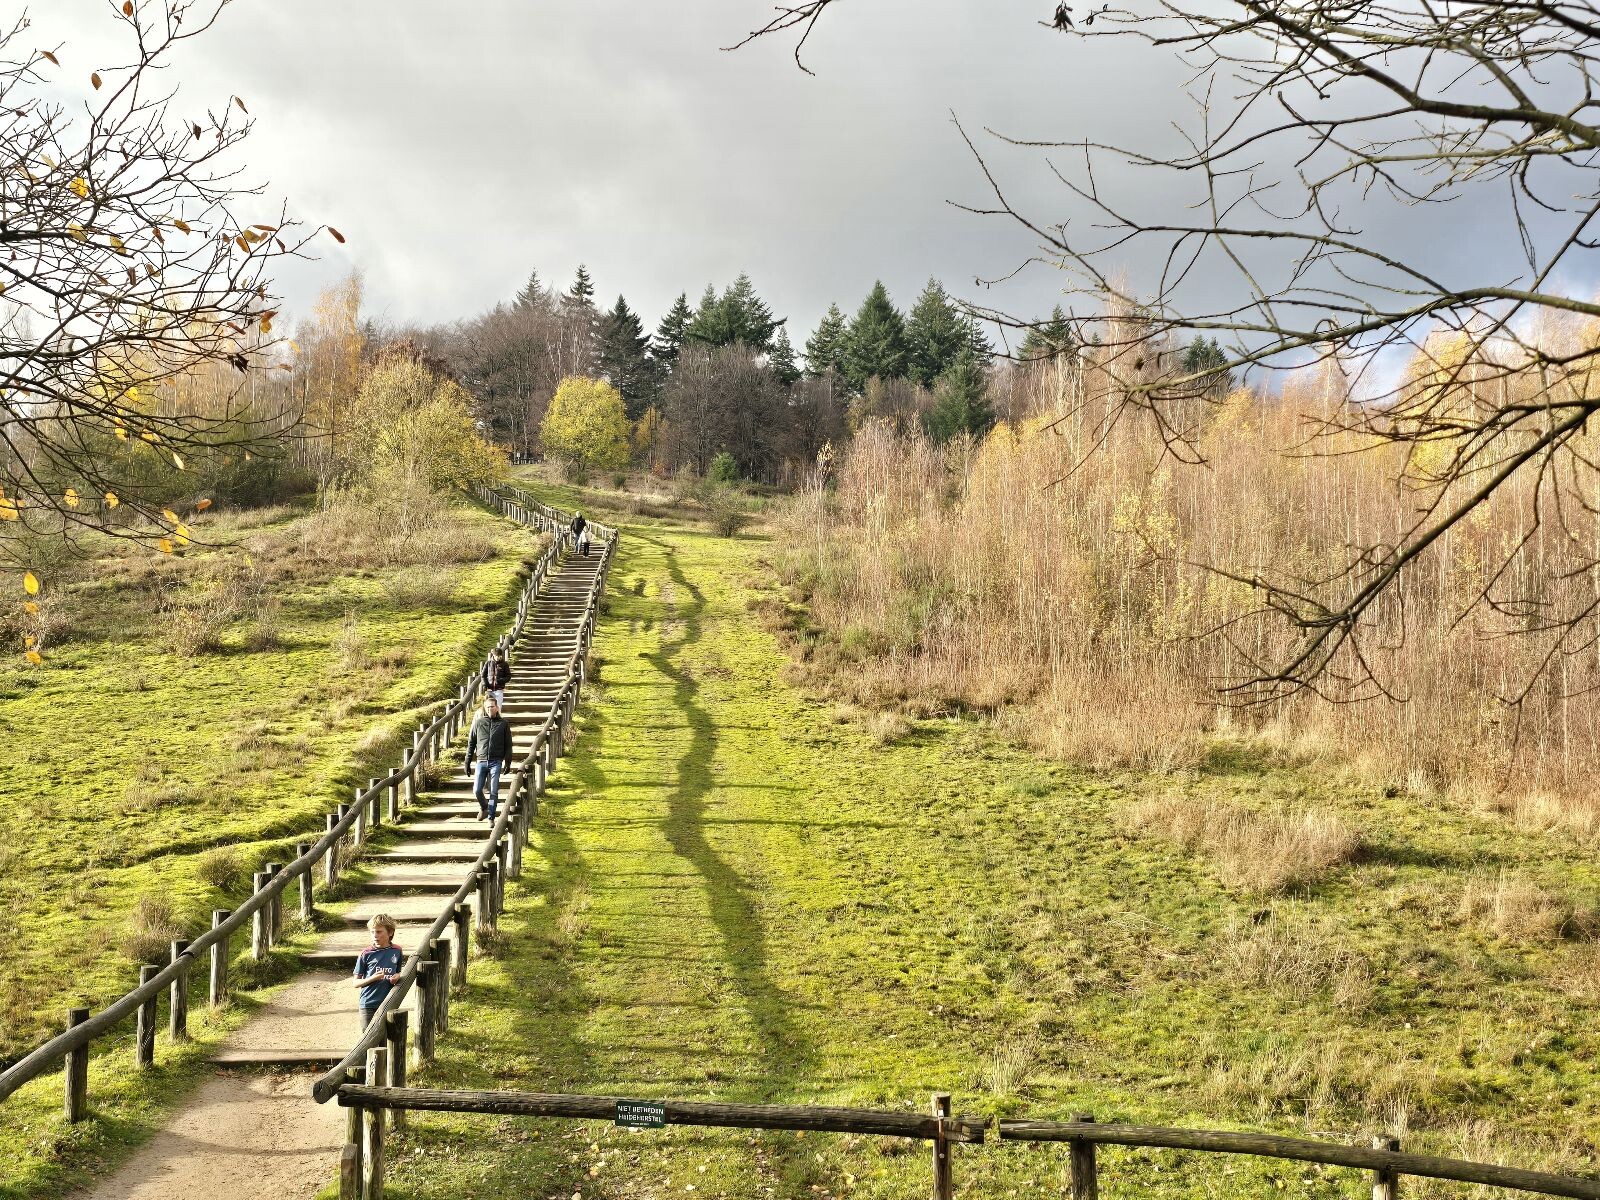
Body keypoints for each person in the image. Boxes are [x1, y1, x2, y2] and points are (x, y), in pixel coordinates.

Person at [352, 914, 403, 1034]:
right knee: (368, 1040)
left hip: (389, 1002)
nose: (375, 936)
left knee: (386, 1040)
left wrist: (398, 976)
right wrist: (373, 978)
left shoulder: (397, 951)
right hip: (368, 1004)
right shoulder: (366, 953)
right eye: (372, 932)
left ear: (390, 933)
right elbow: (355, 983)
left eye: (379, 932)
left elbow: (398, 971)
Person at [464, 695, 513, 820]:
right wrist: (467, 762)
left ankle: (491, 816)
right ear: (484, 709)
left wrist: (508, 763)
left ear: (497, 708)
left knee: (494, 791)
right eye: (487, 707)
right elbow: (471, 743)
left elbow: (508, 745)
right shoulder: (479, 723)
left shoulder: (503, 724)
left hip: (496, 762)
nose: (490, 709)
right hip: (481, 761)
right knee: (477, 790)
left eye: (492, 706)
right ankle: (484, 807)